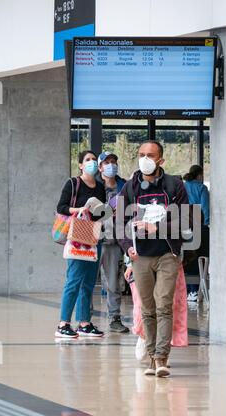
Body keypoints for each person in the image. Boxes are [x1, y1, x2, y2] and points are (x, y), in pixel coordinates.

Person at [118, 141, 190, 378]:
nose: (145, 159)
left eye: (150, 155)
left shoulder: (175, 185)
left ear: (161, 160)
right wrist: (128, 247)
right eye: (141, 154)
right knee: (147, 309)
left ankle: (162, 359)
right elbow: (119, 223)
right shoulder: (130, 188)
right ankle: (151, 357)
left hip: (168, 254)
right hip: (140, 257)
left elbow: (185, 221)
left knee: (164, 304)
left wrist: (155, 227)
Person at [55, 150, 106, 338]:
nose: (92, 162)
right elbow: (61, 207)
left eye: (94, 159)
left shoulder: (99, 187)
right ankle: (63, 324)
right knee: (74, 280)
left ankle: (84, 323)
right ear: (81, 165)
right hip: (77, 235)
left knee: (89, 282)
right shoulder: (73, 183)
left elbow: (101, 212)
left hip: (94, 235)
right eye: (88, 160)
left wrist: (107, 211)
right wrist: (80, 209)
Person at [96, 151, 129, 333]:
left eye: (113, 161)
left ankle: (115, 318)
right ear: (100, 167)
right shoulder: (93, 186)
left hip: (119, 238)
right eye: (107, 162)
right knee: (87, 280)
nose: (111, 165)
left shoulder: (124, 185)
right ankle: (85, 319)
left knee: (113, 281)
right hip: (96, 237)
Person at [183, 165, 210, 302]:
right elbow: (205, 208)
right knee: (199, 256)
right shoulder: (201, 188)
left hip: (183, 226)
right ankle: (195, 290)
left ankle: (188, 291)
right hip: (199, 226)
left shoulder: (182, 187)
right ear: (199, 175)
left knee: (187, 257)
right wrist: (207, 223)